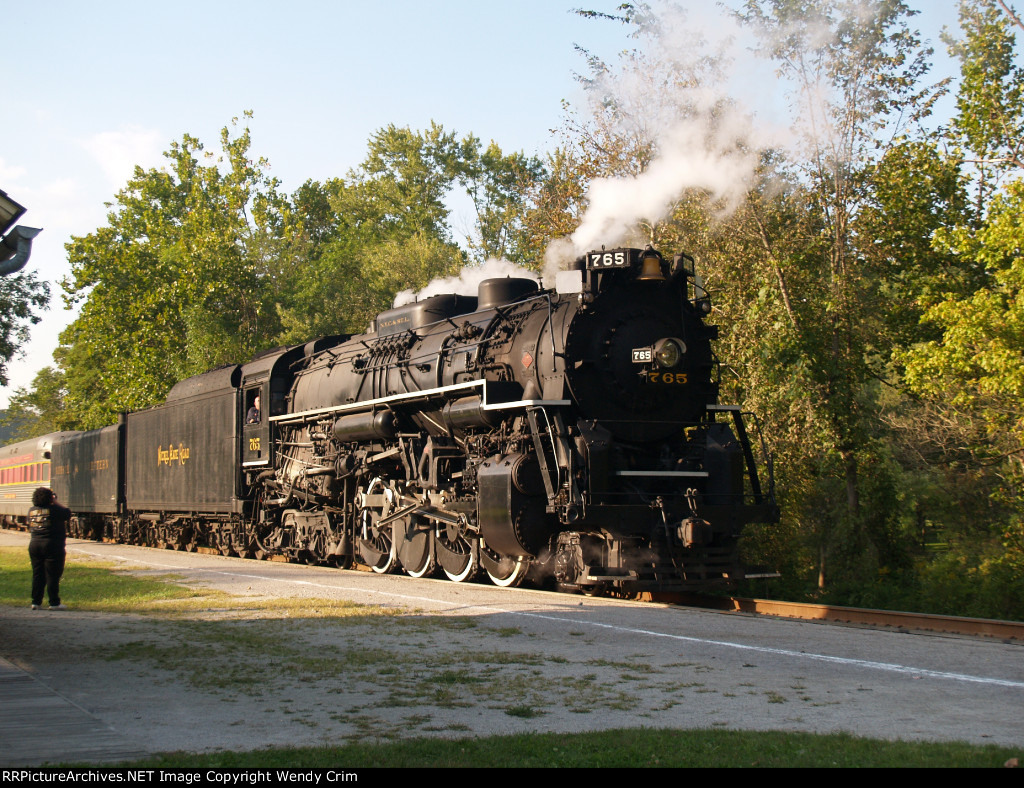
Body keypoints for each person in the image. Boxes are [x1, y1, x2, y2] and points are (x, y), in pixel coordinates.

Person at [28, 487, 71, 610]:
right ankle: (54, 603)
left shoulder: (31, 511)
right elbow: (67, 513)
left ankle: (36, 602)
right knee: (52, 574)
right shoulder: (54, 510)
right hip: (52, 545)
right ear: (50, 498)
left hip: (34, 545)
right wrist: (55, 502)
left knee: (37, 574)